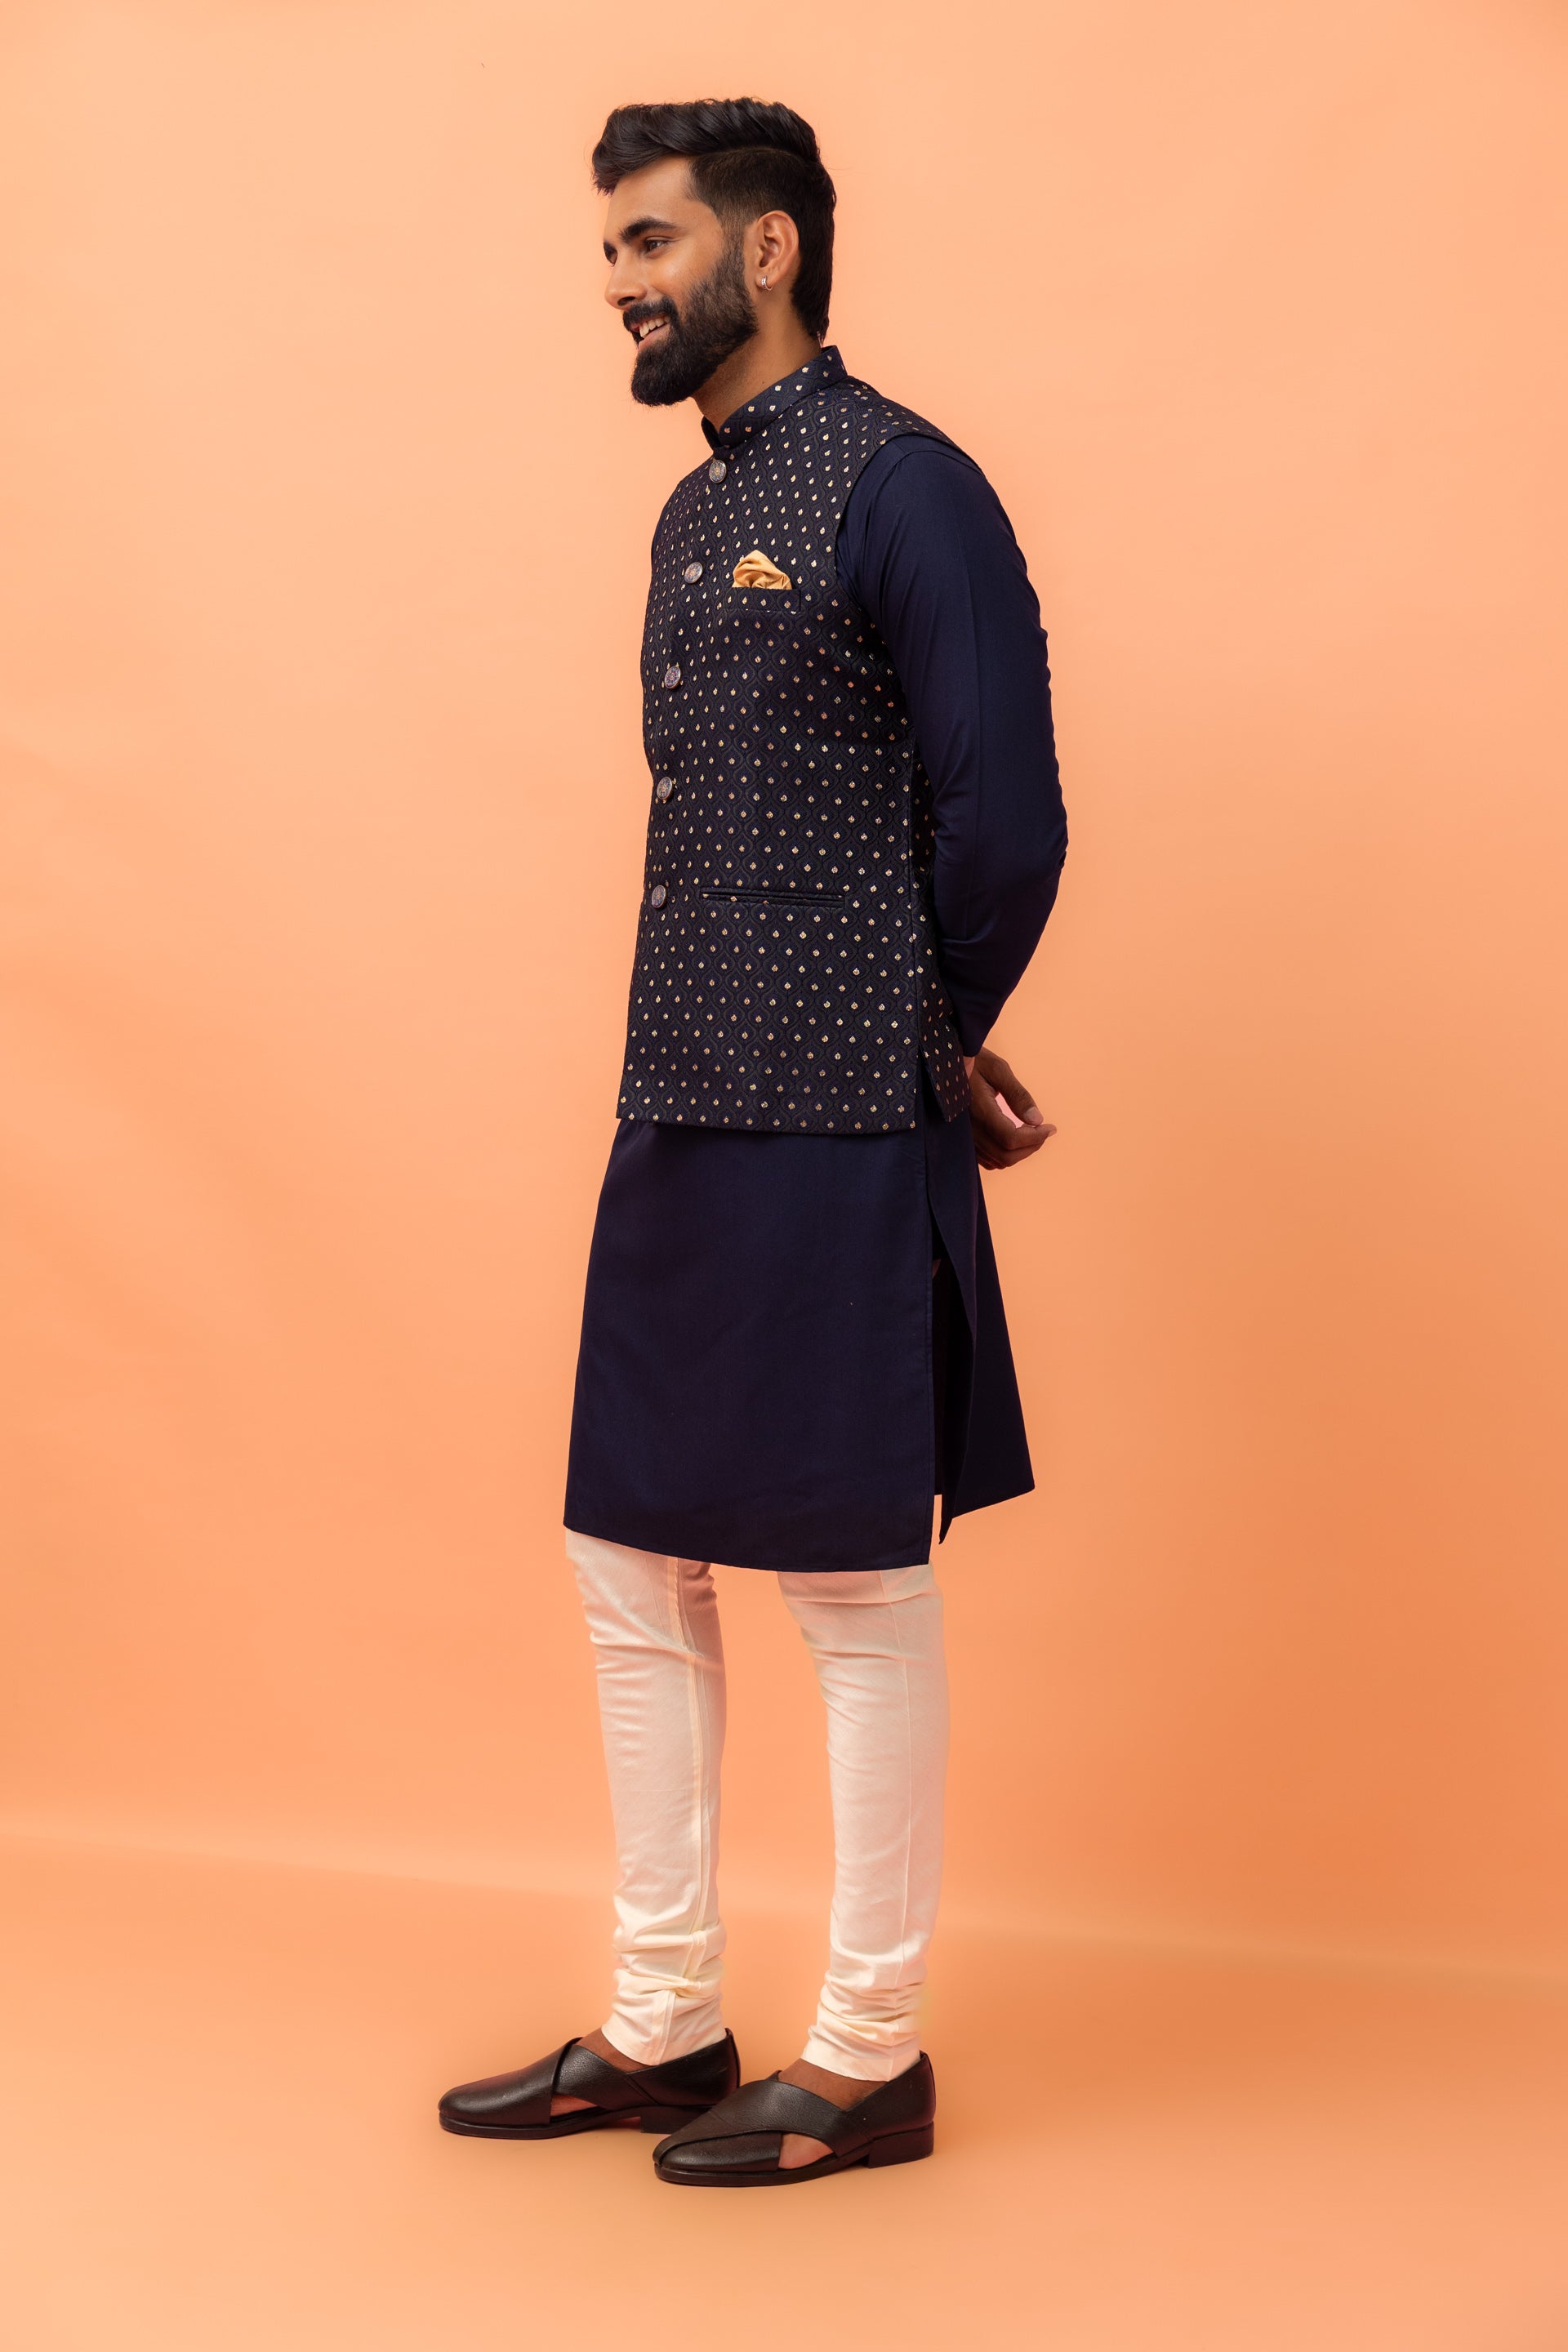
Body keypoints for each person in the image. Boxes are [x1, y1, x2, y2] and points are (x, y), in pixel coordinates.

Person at [439, 97, 1066, 2187]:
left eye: (650, 243)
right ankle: (664, 2020)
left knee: (851, 1580)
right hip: (679, 1097)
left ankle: (871, 2052)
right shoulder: (689, 521)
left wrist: (923, 1035)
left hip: (835, 1118)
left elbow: (1006, 819)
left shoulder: (909, 486)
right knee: (629, 1552)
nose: (618, 284)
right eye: (610, 251)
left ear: (767, 248)